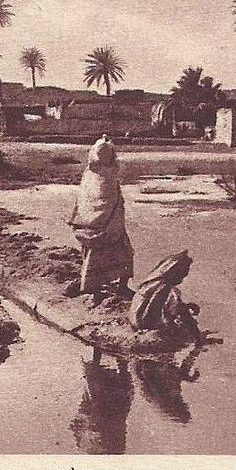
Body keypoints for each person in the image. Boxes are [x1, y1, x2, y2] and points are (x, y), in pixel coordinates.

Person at [69, 136, 134, 302]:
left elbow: (85, 201)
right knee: (124, 252)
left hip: (90, 225)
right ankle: (119, 287)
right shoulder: (108, 176)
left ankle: (96, 290)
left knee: (93, 258)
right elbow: (110, 201)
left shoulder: (90, 175)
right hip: (109, 226)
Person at [128, 250, 201, 341]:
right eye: (183, 274)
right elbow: (165, 310)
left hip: (134, 321)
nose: (183, 279)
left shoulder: (152, 283)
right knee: (182, 313)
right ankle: (198, 338)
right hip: (143, 323)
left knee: (179, 308)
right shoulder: (165, 288)